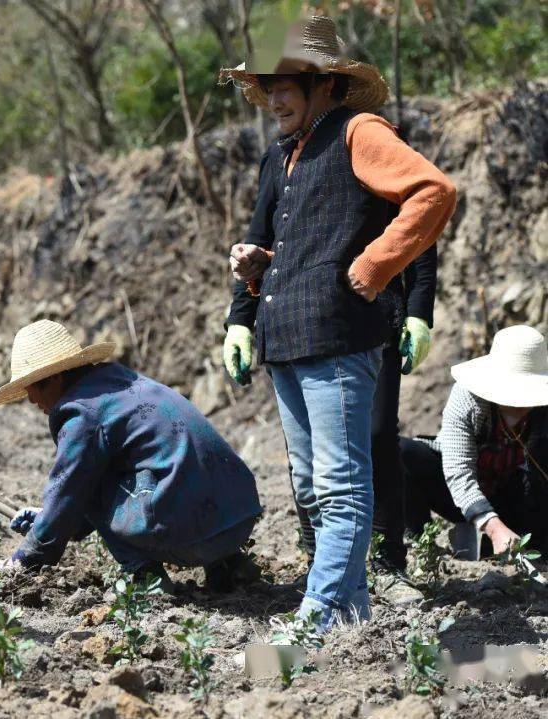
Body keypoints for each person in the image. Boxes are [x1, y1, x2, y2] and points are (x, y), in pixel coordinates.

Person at [218, 15, 456, 629]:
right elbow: (308, 244)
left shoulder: (359, 131)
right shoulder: (287, 154)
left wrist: (373, 269)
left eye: (284, 83)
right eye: (266, 85)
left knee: (342, 482)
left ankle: (321, 613)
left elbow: (432, 193)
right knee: (316, 487)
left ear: (324, 83)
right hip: (290, 338)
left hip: (338, 335)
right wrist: (258, 268)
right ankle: (347, 607)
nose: (273, 97)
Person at [0, 320, 263, 591]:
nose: (32, 401)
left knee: (87, 483)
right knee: (135, 473)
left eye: (31, 389)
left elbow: (70, 491)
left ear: (55, 378)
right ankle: (229, 565)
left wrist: (26, 556)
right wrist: (49, 516)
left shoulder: (81, 413)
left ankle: (147, 579)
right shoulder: (119, 382)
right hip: (239, 517)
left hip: (194, 535)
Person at [292, 246, 438, 606]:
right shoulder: (287, 184)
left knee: (377, 435)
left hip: (376, 315)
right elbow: (267, 232)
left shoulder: (385, 185)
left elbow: (418, 232)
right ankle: (320, 563)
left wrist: (418, 312)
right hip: (302, 319)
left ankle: (388, 562)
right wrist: (241, 316)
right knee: (307, 451)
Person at [401, 325, 548, 556]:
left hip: (515, 497)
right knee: (401, 452)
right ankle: (418, 546)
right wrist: (493, 526)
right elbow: (458, 472)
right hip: (456, 491)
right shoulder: (468, 399)